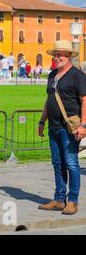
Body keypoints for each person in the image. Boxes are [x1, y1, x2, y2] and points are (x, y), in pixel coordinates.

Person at [37, 40, 86, 216]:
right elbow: (49, 100)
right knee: (57, 164)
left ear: (68, 56)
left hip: (69, 128)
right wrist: (42, 121)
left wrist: (83, 125)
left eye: (60, 54)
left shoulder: (77, 75)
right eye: (55, 54)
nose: (56, 57)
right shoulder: (52, 75)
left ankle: (72, 201)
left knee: (71, 164)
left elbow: (84, 100)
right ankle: (58, 199)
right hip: (53, 127)